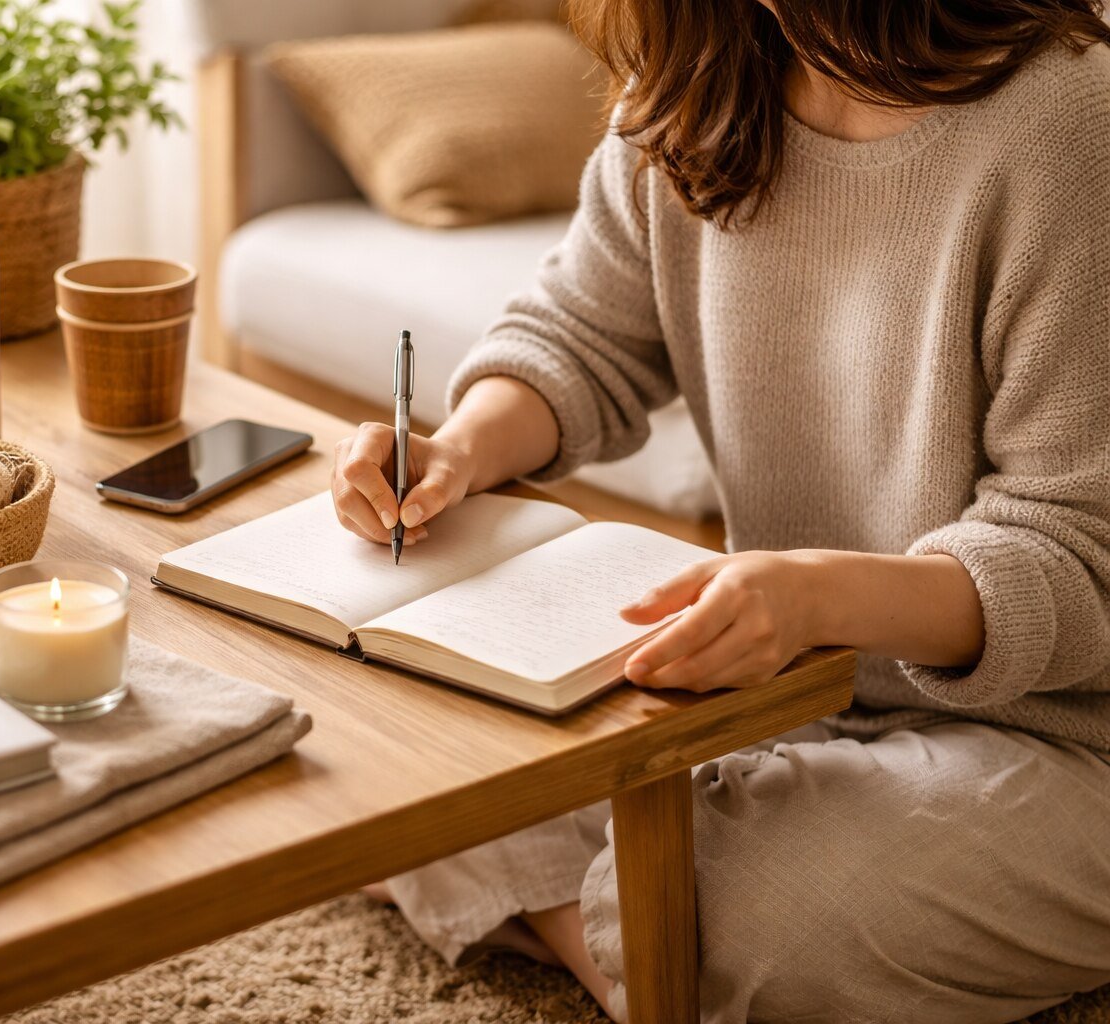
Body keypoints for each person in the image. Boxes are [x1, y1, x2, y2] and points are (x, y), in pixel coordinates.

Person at [329, 0, 1110, 1020]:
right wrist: (457, 450)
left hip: (1065, 737)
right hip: (783, 694)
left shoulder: (1072, 119)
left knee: (750, 902)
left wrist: (817, 598)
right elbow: (580, 334)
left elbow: (1078, 555)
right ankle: (647, 955)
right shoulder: (699, 81)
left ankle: (605, 936)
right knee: (423, 759)